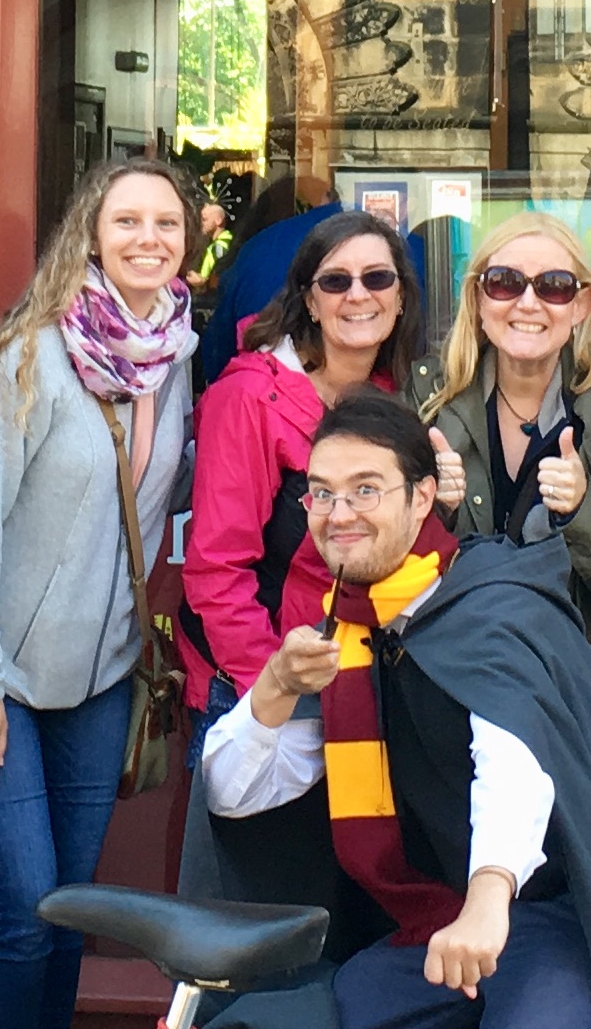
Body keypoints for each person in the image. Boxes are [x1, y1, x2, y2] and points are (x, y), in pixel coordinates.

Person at [201, 388, 591, 1029]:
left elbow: (514, 759)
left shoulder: (487, 603)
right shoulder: (343, 631)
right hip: (437, 924)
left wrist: (487, 899)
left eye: (366, 489)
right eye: (322, 492)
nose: (340, 513)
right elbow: (234, 795)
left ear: (421, 497)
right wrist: (275, 689)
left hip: (570, 914)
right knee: (322, 1011)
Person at [0, 157, 202, 1029]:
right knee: (26, 910)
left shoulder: (176, 356)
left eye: (166, 224)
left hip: (100, 675)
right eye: (127, 222)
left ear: (188, 242)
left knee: (73, 911)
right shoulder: (34, 354)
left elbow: (161, 500)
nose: (148, 239)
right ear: (92, 235)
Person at [177, 210, 423, 916]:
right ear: (307, 298)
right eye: (335, 280)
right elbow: (216, 569)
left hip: (359, 696)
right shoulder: (247, 395)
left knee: (338, 918)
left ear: (400, 296)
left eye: (376, 278)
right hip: (264, 697)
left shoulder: (388, 400)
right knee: (247, 916)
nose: (357, 295)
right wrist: (272, 691)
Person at [405, 212, 591, 719]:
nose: (527, 303)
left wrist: (583, 510)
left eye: (553, 286)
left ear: (583, 305)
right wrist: (432, 513)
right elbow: (385, 573)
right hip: (454, 693)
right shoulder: (426, 402)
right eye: (505, 283)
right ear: (479, 298)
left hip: (587, 706)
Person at [199, 198, 344, 381]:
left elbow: (217, 359)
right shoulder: (266, 250)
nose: (358, 295)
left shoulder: (260, 249)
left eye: (375, 278)